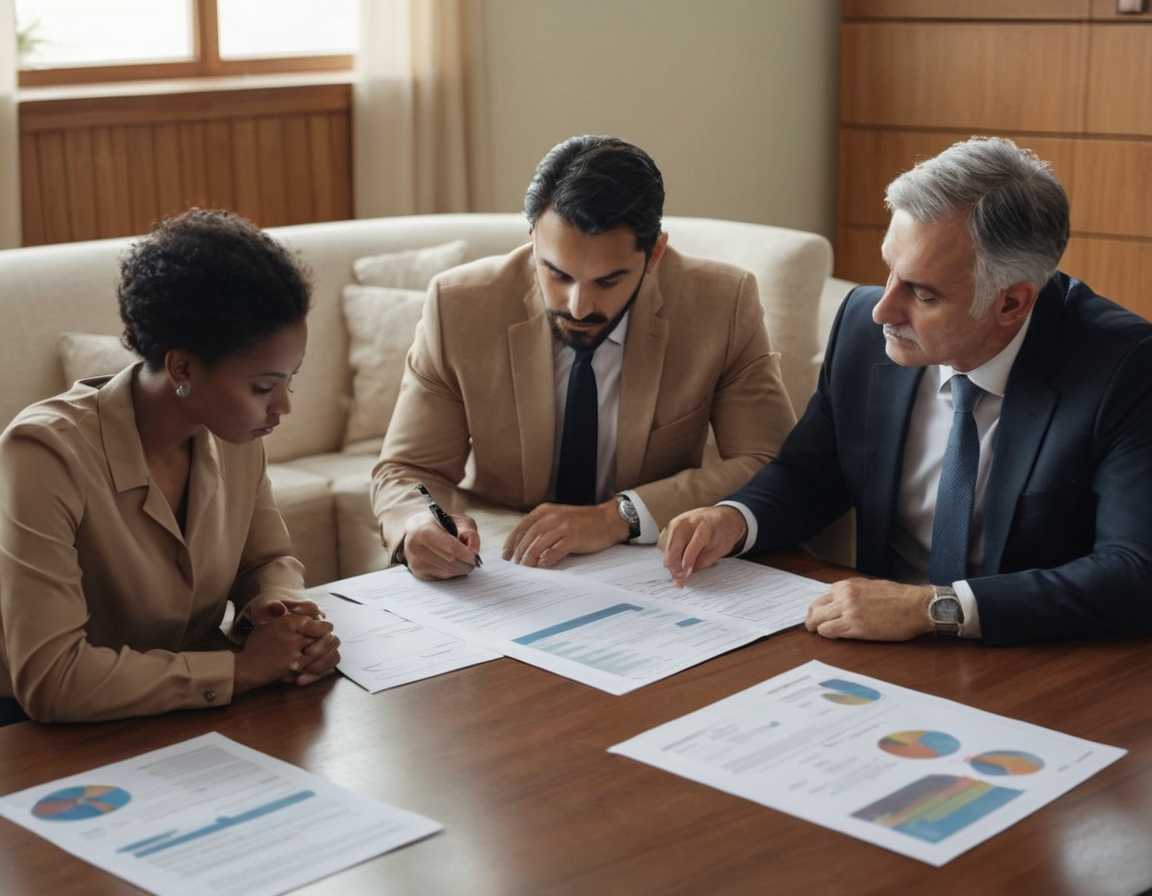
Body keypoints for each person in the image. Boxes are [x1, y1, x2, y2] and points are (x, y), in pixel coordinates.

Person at [662, 136, 1152, 646]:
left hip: (1032, 656)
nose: (883, 310)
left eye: (922, 293)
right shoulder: (860, 327)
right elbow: (809, 475)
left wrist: (933, 607)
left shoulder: (1124, 369)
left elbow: (1134, 571)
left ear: (1011, 304)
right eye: (889, 270)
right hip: (877, 647)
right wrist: (735, 519)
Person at [372, 135, 795, 580]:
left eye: (608, 281)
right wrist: (418, 523)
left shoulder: (722, 303)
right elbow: (408, 468)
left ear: (654, 254)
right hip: (504, 552)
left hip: (649, 553)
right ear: (533, 237)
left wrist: (619, 517)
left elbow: (769, 460)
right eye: (557, 273)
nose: (577, 306)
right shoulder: (457, 305)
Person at [0, 209, 340, 724]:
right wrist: (241, 672)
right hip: (46, 737)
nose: (282, 407)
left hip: (187, 717)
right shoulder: (43, 454)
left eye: (289, 380)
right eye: (263, 387)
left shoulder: (236, 435)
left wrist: (283, 611)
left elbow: (265, 560)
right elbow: (53, 679)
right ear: (182, 367)